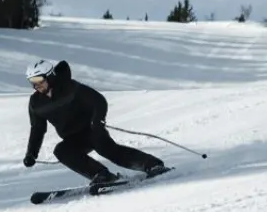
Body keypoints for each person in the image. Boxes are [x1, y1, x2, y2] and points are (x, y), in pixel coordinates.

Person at [23, 59, 167, 184]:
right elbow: (37, 128)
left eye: (38, 80)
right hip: (72, 138)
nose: (36, 86)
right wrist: (31, 154)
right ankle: (102, 175)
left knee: (107, 149)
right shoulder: (36, 103)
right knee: (62, 151)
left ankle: (152, 165)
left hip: (92, 128)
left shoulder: (70, 87)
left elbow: (98, 100)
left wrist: (98, 121)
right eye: (32, 82)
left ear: (50, 76)